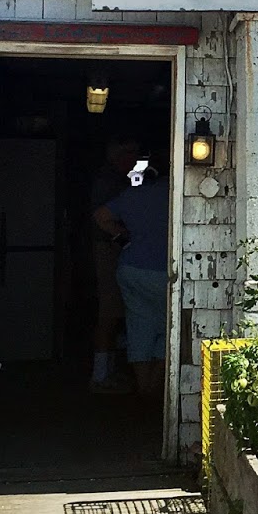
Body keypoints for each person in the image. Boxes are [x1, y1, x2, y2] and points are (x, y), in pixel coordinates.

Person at [92, 160, 171, 398]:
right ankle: (152, 386)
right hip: (164, 270)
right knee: (169, 325)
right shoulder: (176, 193)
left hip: (131, 269)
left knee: (139, 326)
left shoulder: (132, 194)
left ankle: (142, 385)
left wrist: (124, 235)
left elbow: (100, 216)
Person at [89, 137, 140, 393]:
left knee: (114, 312)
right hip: (108, 250)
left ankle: (107, 372)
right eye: (130, 154)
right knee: (108, 313)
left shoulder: (115, 179)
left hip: (112, 250)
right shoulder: (109, 182)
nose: (134, 161)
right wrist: (124, 234)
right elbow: (101, 217)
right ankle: (99, 376)